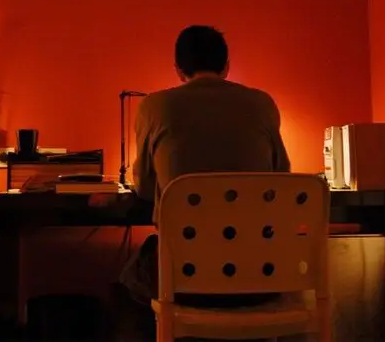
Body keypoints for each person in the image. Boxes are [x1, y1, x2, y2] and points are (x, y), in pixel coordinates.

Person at [113, 25, 291, 340]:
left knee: (128, 284)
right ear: (226, 66)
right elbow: (281, 181)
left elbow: (143, 188)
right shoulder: (262, 104)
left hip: (184, 279)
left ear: (179, 70)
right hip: (259, 274)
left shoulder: (154, 107)